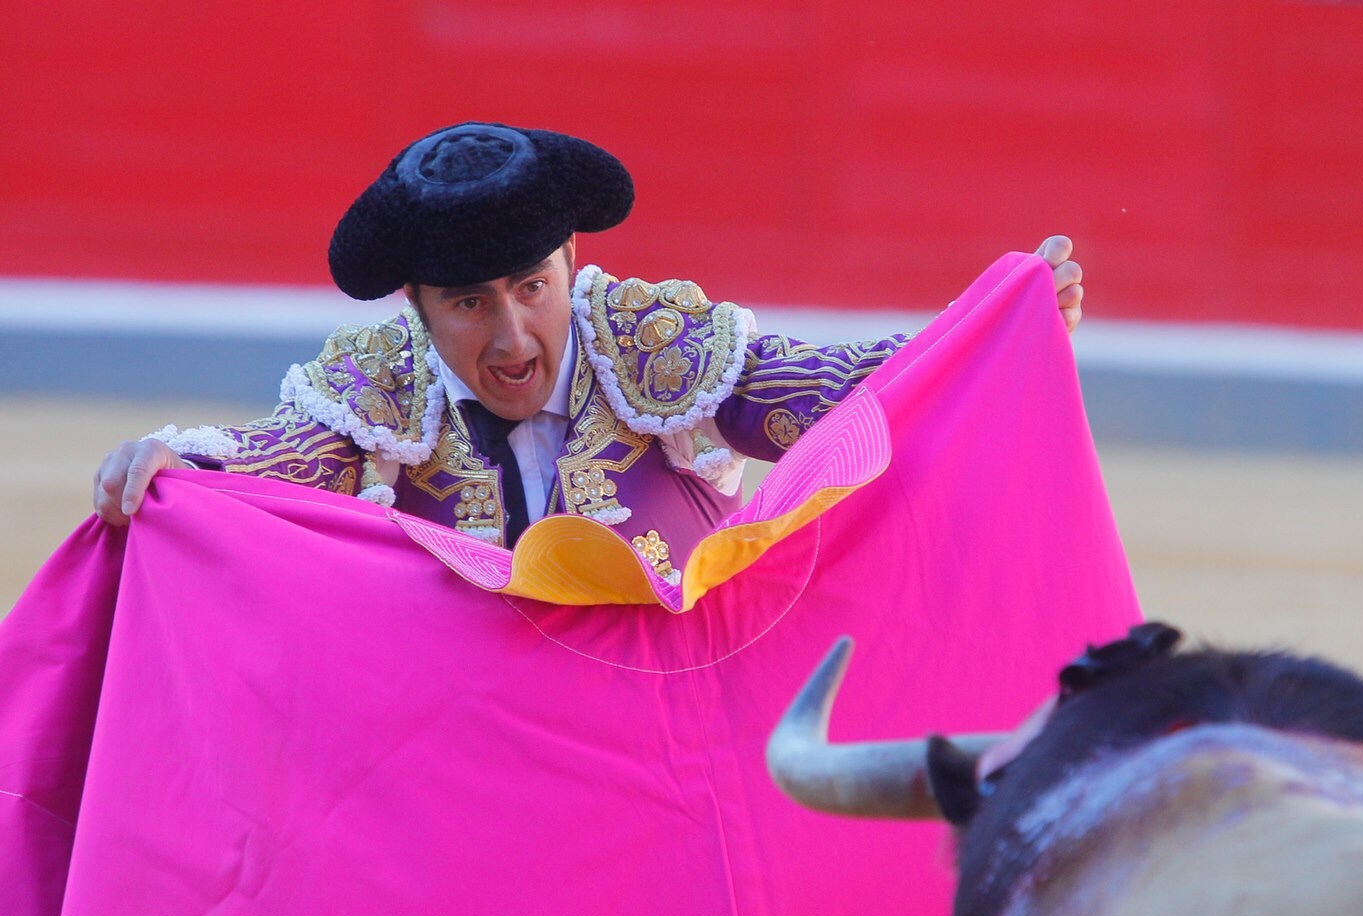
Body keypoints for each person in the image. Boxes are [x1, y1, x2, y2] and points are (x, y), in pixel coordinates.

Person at [92, 122, 1084, 580]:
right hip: (471, 756)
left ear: (574, 257)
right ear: (417, 304)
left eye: (532, 288)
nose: (513, 334)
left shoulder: (654, 343)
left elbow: (838, 394)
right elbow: (284, 459)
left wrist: (996, 329)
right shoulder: (379, 388)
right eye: (470, 303)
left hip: (674, 741)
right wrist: (187, 466)